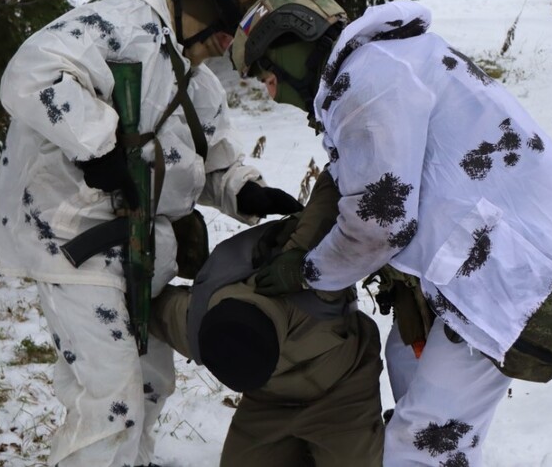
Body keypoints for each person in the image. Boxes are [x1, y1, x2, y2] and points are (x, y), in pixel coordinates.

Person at [231, 0, 552, 466]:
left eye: (266, 72)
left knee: (421, 440)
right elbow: (365, 183)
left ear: (292, 42)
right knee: (408, 357)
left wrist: (308, 271)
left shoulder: (368, 81)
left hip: (507, 276)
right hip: (487, 251)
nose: (269, 90)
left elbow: (381, 222)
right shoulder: (384, 61)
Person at [0, 0, 302, 467]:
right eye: (228, 22)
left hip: (140, 251)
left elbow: (205, 161)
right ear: (202, 0)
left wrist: (243, 189)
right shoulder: (121, 25)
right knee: (112, 405)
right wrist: (98, 144)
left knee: (150, 384)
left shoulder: (196, 79)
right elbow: (30, 75)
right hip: (75, 241)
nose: (229, 39)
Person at [149, 170, 384, 467]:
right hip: (267, 405)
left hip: (344, 396)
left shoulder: (308, 269)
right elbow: (153, 308)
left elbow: (345, 177)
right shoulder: (198, 325)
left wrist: (306, 263)